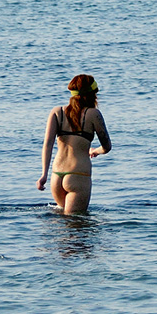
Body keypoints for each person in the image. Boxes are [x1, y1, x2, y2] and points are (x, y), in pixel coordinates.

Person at [37, 74, 112, 214]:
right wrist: (95, 151)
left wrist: (44, 175)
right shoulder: (93, 114)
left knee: (63, 228)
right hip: (78, 175)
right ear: (92, 95)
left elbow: (47, 144)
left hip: (56, 175)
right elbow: (107, 147)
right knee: (76, 225)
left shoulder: (56, 112)